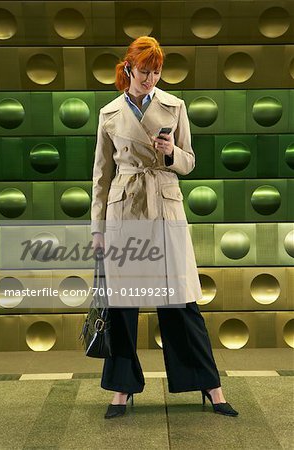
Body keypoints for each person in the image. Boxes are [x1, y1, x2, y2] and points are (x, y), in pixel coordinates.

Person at [90, 36, 239, 419]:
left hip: (165, 208)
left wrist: (171, 152)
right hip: (124, 212)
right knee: (123, 307)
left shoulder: (175, 106)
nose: (151, 79)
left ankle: (212, 387)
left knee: (182, 303)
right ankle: (122, 390)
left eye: (156, 72)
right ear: (128, 69)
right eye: (144, 71)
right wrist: (97, 231)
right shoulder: (108, 113)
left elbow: (189, 162)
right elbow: (101, 178)